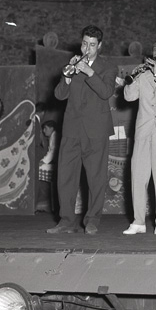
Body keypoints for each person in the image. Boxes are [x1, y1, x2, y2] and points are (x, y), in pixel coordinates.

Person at [46, 25, 116, 235]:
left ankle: (92, 220)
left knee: (96, 179)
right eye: (85, 44)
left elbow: (106, 92)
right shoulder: (73, 64)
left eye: (92, 45)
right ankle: (66, 221)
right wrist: (68, 76)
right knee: (65, 177)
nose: (87, 48)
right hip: (71, 129)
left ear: (99, 46)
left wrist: (89, 71)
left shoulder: (108, 67)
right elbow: (59, 95)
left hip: (96, 131)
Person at [123, 37, 156, 236]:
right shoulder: (144, 75)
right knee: (138, 176)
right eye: (155, 48)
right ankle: (138, 221)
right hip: (144, 131)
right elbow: (129, 96)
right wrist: (133, 77)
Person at [37, 120, 58, 213]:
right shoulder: (53, 136)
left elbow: (53, 151)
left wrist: (43, 161)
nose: (44, 131)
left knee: (39, 169)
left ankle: (43, 200)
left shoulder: (55, 135)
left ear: (51, 128)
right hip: (53, 162)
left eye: (45, 128)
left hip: (55, 163)